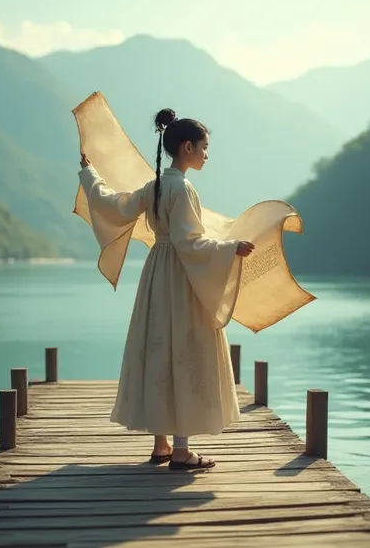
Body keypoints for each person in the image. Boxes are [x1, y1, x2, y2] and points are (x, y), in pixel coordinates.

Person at [78, 108, 254, 470]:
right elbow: (190, 241)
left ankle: (161, 445)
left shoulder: (154, 186)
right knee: (185, 349)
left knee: (158, 348)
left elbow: (111, 205)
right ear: (187, 147)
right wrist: (230, 248)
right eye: (204, 147)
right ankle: (183, 450)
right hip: (180, 276)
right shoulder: (183, 188)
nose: (207, 154)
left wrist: (89, 172)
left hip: (157, 273)